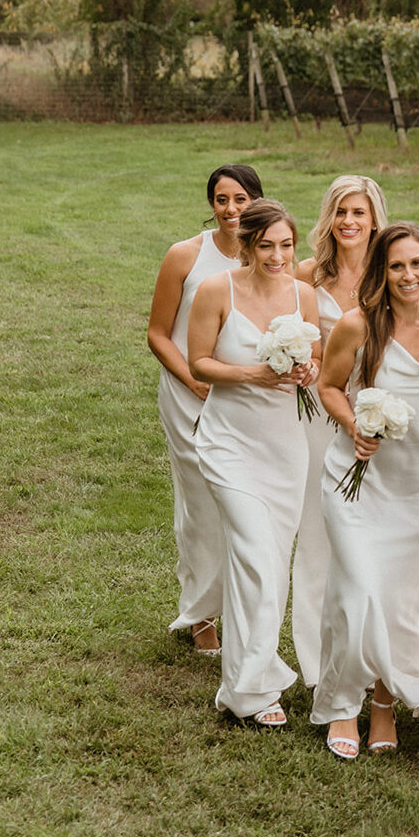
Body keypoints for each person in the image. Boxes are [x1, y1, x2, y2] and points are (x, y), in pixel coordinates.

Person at [311, 222, 419, 760]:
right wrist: (354, 426)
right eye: (396, 266)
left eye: (417, 263)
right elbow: (328, 387)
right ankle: (342, 702)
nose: (408, 275)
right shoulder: (356, 325)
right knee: (357, 590)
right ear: (380, 272)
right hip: (355, 478)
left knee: (398, 595)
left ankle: (384, 703)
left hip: (415, 487)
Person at [188, 199, 321, 726]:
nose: (277, 256)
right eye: (266, 246)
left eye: (286, 245)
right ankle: (253, 690)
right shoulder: (216, 290)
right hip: (228, 444)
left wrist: (306, 372)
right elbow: (199, 362)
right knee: (254, 556)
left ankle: (244, 685)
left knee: (270, 567)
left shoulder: (302, 295)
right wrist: (255, 375)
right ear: (246, 245)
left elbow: (314, 358)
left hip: (284, 447)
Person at [146, 164, 262, 656]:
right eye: (221, 199)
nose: (231, 209)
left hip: (247, 398)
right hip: (189, 394)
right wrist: (194, 380)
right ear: (211, 204)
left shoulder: (270, 254)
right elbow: (157, 333)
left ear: (256, 200)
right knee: (200, 507)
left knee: (244, 506)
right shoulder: (185, 256)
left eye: (240, 199)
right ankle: (201, 615)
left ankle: (243, 607)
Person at [291, 176, 390, 687]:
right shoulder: (307, 275)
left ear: (375, 218)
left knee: (372, 535)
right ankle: (315, 661)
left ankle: (374, 652)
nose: (349, 222)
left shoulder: (392, 272)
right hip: (317, 416)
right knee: (316, 535)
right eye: (340, 212)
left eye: (359, 212)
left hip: (379, 419)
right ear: (328, 218)